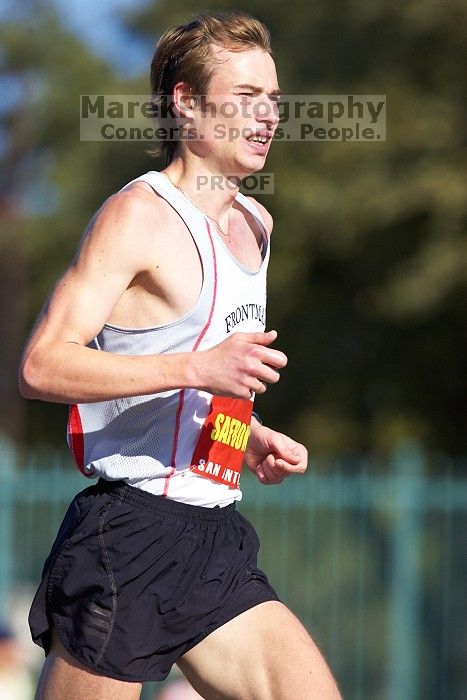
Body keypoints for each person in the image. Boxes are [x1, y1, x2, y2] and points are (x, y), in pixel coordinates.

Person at [20, 10, 342, 700]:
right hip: (129, 538)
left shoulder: (256, 224)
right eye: (246, 98)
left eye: (274, 102)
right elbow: (42, 364)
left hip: (213, 536)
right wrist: (198, 370)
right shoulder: (137, 215)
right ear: (186, 102)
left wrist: (242, 431)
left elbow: (186, 361)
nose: (266, 118)